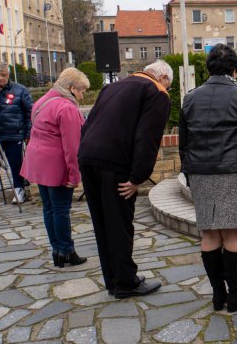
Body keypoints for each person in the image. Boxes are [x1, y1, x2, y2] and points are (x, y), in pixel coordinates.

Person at [180, 44, 237, 313]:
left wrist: (188, 171)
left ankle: (218, 296)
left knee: (209, 233)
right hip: (235, 171)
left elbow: (184, 142)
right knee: (232, 234)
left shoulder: (191, 97)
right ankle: (236, 295)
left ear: (208, 68)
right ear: (235, 69)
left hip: (202, 172)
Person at [79, 60, 172, 298]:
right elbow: (147, 138)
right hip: (115, 163)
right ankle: (125, 283)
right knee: (119, 224)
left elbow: (87, 124)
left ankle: (113, 278)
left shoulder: (112, 87)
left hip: (88, 157)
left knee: (102, 224)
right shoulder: (156, 92)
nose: (167, 90)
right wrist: (137, 177)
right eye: (168, 85)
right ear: (162, 78)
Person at [21, 68, 90, 267]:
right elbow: (72, 146)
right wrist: (75, 175)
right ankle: (67, 251)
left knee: (49, 208)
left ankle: (57, 250)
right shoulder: (67, 107)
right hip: (55, 164)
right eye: (81, 90)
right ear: (71, 88)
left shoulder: (41, 101)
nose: (82, 95)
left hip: (38, 161)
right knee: (61, 209)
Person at [0, 62, 34, 206]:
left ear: (8, 75)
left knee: (16, 163)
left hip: (14, 133)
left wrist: (28, 133)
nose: (0, 78)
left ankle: (19, 189)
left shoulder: (20, 90)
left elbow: (30, 112)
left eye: (3, 75)